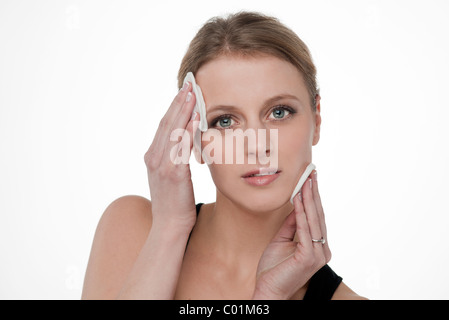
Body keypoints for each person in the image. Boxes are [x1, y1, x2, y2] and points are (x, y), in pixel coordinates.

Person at [81, 11, 367, 300]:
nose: (257, 146)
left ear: (317, 120)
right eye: (226, 121)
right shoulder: (132, 229)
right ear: (194, 137)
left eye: (279, 112)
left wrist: (270, 296)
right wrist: (169, 229)